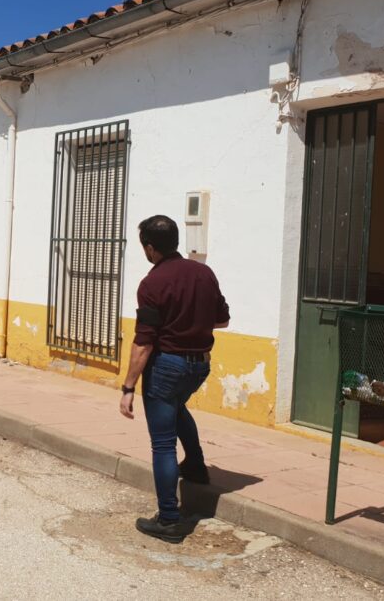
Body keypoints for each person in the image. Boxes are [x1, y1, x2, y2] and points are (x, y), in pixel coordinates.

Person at [118, 215, 229, 543]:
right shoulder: (204, 273)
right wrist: (192, 321)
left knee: (163, 443)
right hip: (199, 366)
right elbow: (222, 320)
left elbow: (144, 342)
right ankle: (195, 465)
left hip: (167, 366)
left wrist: (128, 387)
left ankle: (168, 519)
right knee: (178, 408)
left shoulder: (151, 284)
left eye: (144, 247)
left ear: (151, 248)